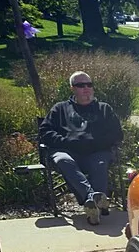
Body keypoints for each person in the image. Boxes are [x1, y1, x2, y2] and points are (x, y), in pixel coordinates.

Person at [40, 71, 123, 225]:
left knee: (100, 163)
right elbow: (45, 132)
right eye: (80, 85)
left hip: (96, 151)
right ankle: (96, 200)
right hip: (68, 151)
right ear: (72, 88)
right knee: (63, 160)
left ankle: (92, 205)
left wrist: (94, 143)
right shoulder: (59, 109)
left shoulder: (104, 109)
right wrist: (67, 142)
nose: (86, 88)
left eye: (89, 84)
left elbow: (116, 133)